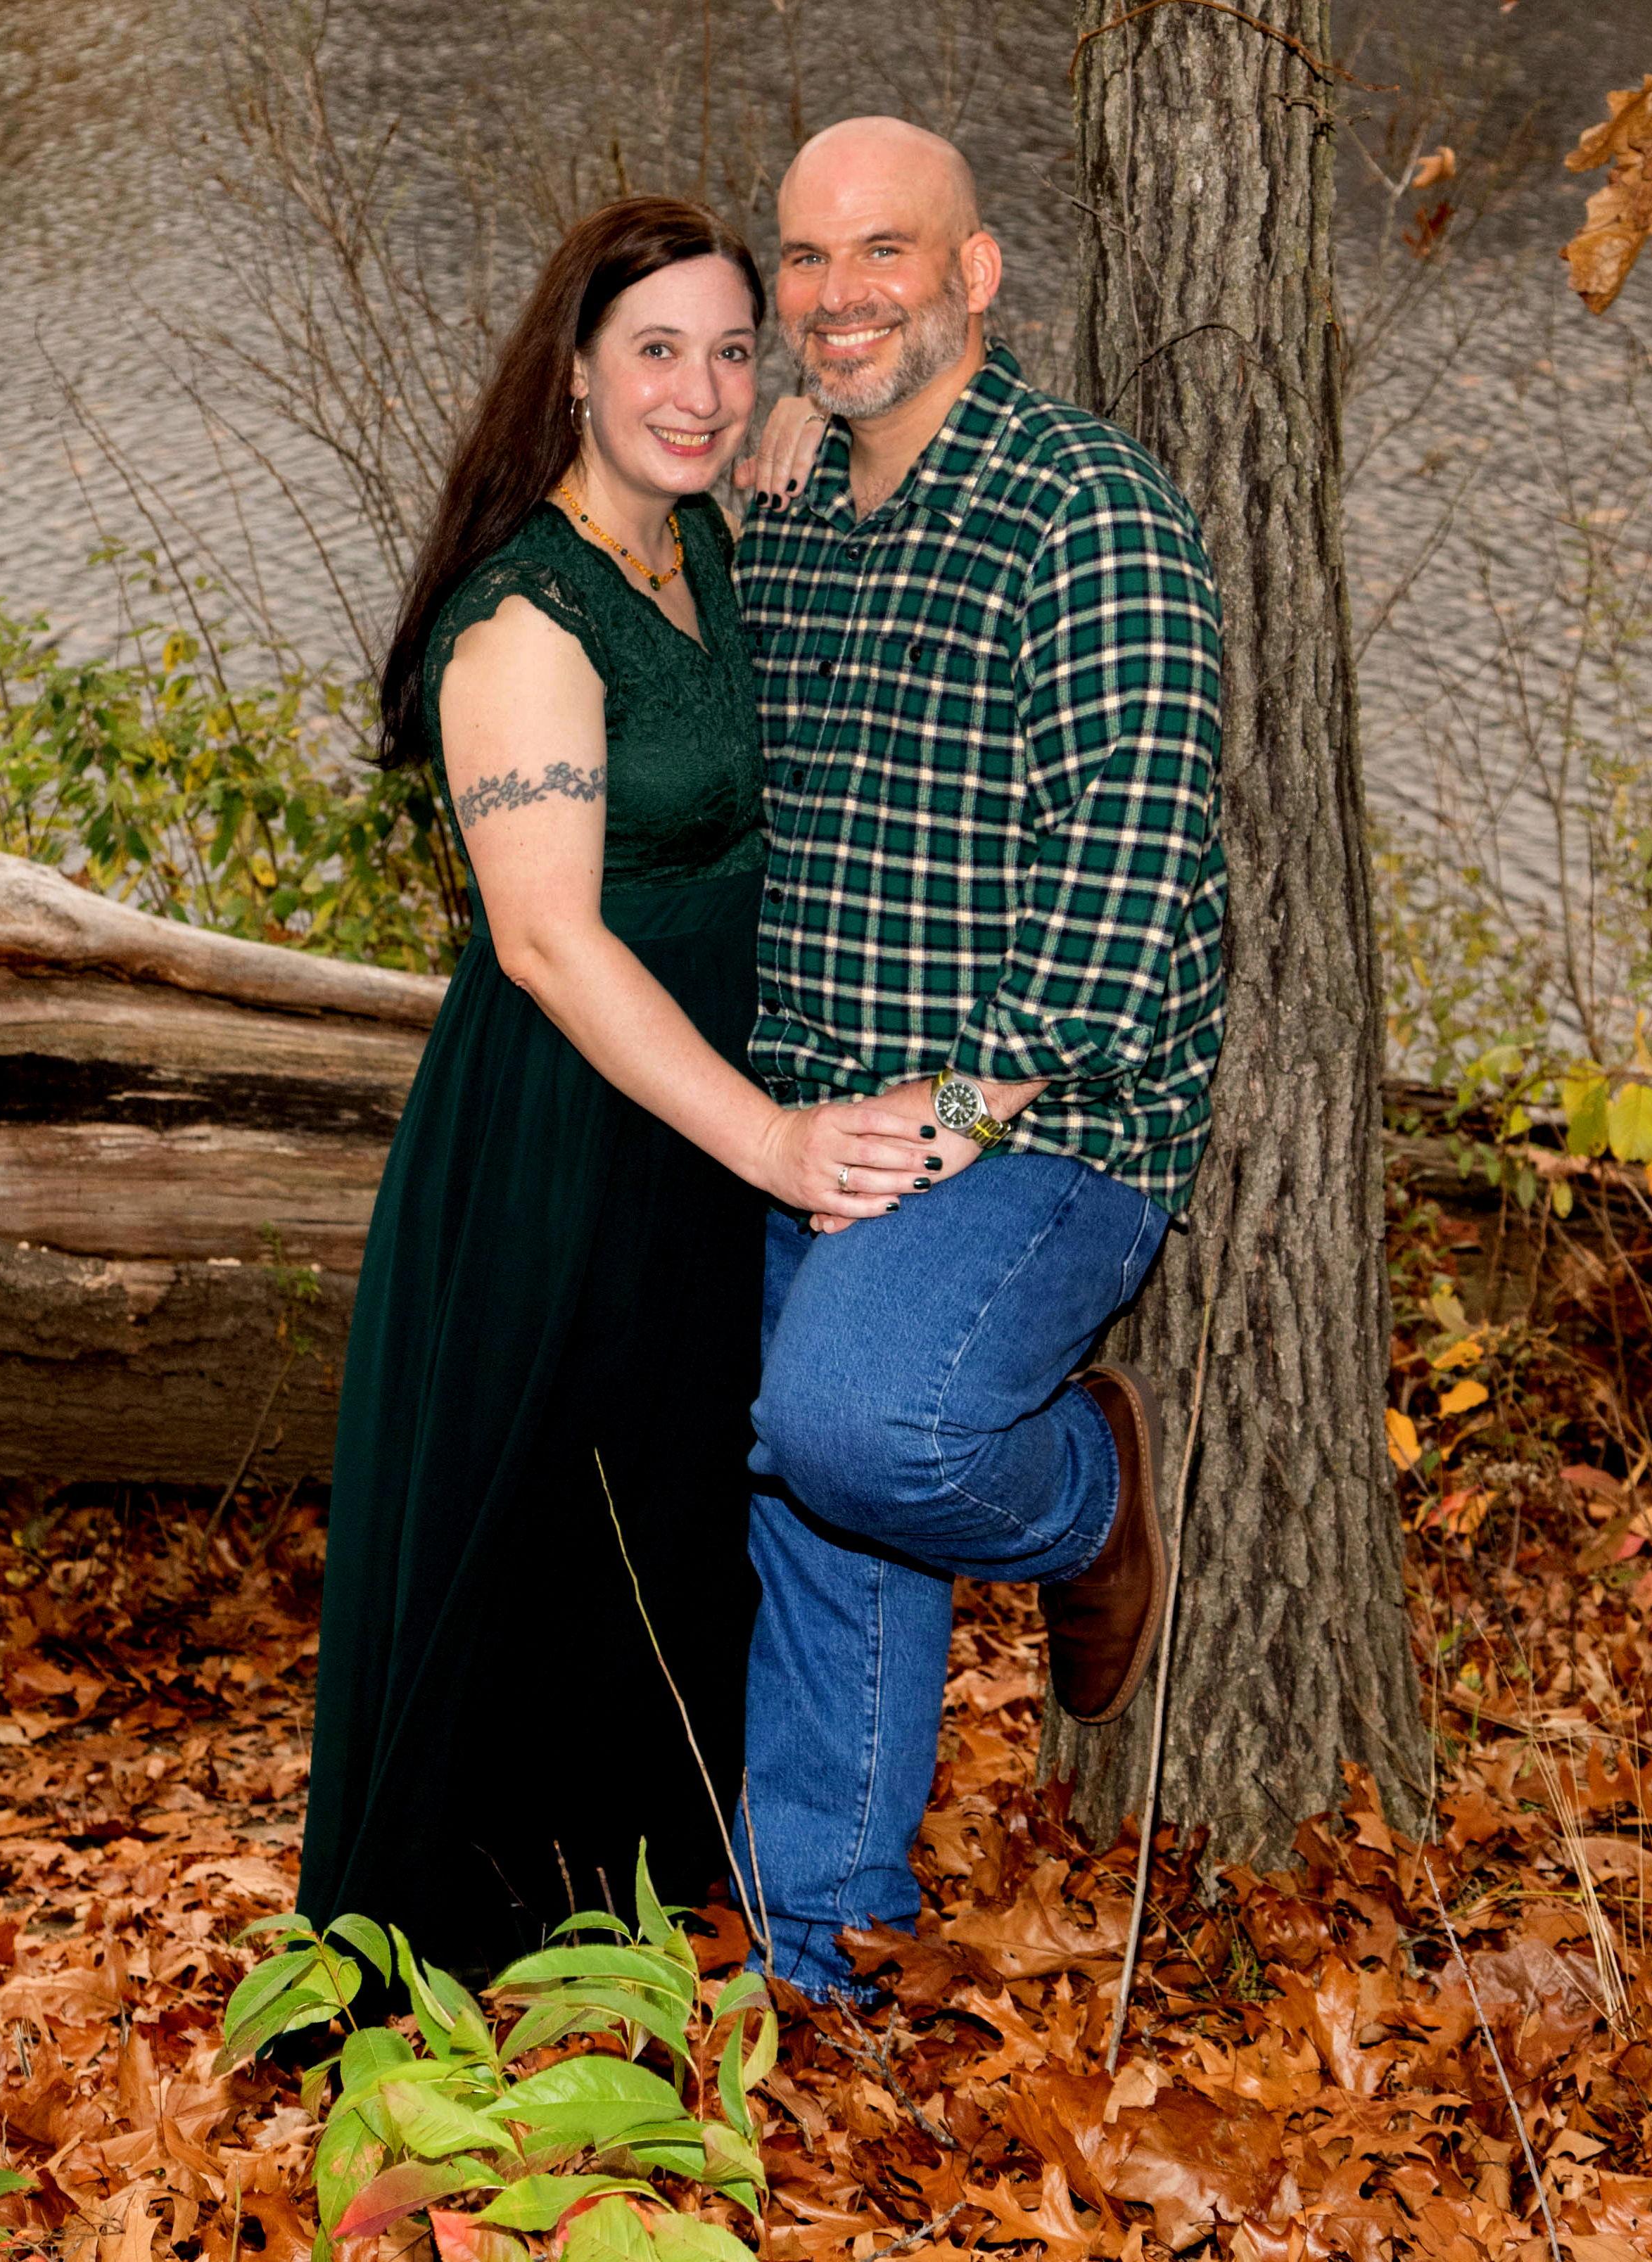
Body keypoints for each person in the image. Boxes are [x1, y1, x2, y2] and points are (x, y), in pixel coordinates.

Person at [297, 195, 930, 1978]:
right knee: (540, 1528)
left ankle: (635, 1928)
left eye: (732, 350)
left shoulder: (697, 543)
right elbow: (546, 941)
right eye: (656, 350)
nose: (700, 389)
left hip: (700, 1112)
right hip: (573, 1130)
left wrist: (802, 419)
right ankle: (458, 1967)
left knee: (670, 1514)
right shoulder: (523, 620)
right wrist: (773, 1140)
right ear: (571, 369)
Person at [733, 116, 1230, 2008]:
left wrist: (948, 1121)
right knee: (805, 1491)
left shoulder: (1085, 514)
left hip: (1043, 1121)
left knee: (861, 1427)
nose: (840, 293)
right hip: (807, 1107)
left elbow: (1129, 869)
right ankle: (820, 1953)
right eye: (806, 257)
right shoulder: (796, 510)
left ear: (977, 272)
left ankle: (1087, 1494)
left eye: (885, 250)